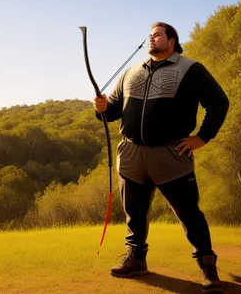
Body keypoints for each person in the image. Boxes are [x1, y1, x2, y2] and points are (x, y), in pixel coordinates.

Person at [93, 22, 229, 294]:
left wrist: (202, 138)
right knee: (134, 213)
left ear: (172, 40)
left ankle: (208, 267)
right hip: (131, 153)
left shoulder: (190, 69)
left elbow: (219, 102)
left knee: (189, 214)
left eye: (157, 35)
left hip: (171, 153)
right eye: (150, 35)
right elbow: (114, 112)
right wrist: (102, 109)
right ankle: (136, 260)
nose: (152, 39)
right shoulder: (131, 72)